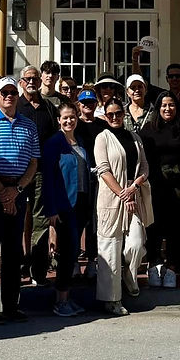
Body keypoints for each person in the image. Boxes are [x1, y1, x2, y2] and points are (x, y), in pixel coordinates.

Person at [0, 76, 40, 324]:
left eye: (13, 91)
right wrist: (2, 192)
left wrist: (17, 190)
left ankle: (11, 306)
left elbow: (34, 162)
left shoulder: (29, 125)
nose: (9, 96)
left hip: (18, 190)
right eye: (5, 92)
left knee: (14, 253)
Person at [94, 99, 153, 316]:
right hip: (111, 200)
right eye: (110, 115)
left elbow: (145, 167)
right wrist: (122, 193)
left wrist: (134, 186)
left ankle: (129, 274)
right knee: (110, 249)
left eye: (118, 113)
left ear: (124, 114)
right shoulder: (102, 138)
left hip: (133, 197)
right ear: (106, 117)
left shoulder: (134, 137)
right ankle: (112, 300)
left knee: (136, 243)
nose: (115, 117)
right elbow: (103, 169)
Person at [140, 90, 180, 289]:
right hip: (155, 186)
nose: (167, 109)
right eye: (163, 105)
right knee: (153, 227)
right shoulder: (147, 130)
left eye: (171, 105)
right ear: (158, 108)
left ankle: (172, 266)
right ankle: (155, 264)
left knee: (177, 228)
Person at [42, 102, 91, 317]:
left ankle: (67, 298)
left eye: (72, 117)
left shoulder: (80, 141)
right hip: (64, 205)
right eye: (65, 118)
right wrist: (51, 210)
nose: (69, 120)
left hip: (81, 202)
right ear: (59, 121)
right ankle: (60, 300)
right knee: (68, 252)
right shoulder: (54, 143)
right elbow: (48, 179)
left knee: (73, 254)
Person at [16, 65, 59, 284]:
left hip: (41, 172)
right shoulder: (15, 106)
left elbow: (54, 140)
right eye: (27, 78)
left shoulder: (49, 108)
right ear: (21, 82)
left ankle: (38, 270)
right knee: (18, 218)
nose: (31, 82)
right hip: (16, 173)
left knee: (40, 221)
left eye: (34, 78)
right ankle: (20, 264)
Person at [76, 88, 108, 279]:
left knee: (95, 222)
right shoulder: (74, 124)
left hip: (98, 178)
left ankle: (92, 260)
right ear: (78, 105)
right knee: (78, 219)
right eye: (83, 103)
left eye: (90, 102)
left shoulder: (103, 126)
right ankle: (73, 259)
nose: (87, 106)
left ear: (96, 104)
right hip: (78, 177)